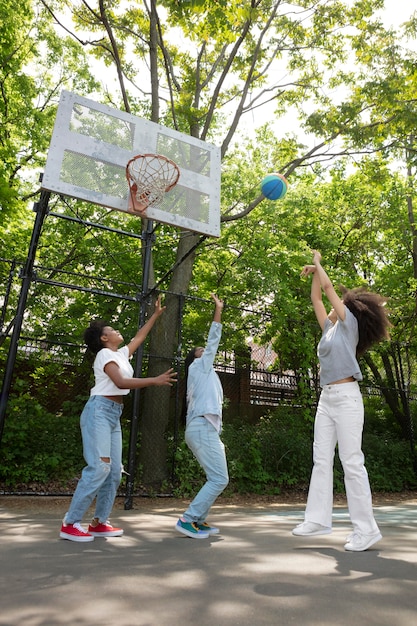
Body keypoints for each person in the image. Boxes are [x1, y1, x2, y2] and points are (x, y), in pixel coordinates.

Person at [292, 250, 390, 551]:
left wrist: (319, 264)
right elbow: (318, 300)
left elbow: (330, 292)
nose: (334, 308)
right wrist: (313, 275)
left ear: (348, 310)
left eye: (341, 306)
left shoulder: (349, 326)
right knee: (321, 459)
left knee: (351, 462)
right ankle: (318, 519)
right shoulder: (328, 330)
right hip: (327, 399)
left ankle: (367, 529)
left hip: (347, 398)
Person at [60, 296, 177, 542]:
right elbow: (121, 383)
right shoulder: (104, 355)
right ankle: (70, 523)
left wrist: (155, 316)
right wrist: (154, 380)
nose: (117, 331)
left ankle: (99, 522)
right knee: (99, 467)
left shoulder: (121, 354)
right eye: (112, 330)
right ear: (104, 338)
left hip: (113, 414)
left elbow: (139, 338)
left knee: (114, 472)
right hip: (99, 411)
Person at [175, 294, 229, 539]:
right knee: (219, 478)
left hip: (204, 429)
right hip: (201, 428)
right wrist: (218, 311)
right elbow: (213, 340)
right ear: (195, 358)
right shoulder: (198, 367)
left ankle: (198, 519)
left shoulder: (205, 374)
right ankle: (188, 518)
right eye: (200, 350)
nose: (205, 350)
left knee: (216, 477)